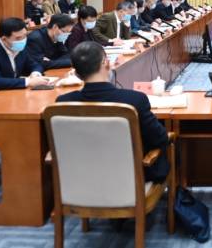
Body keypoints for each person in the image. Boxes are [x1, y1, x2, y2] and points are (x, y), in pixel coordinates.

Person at [56, 41, 169, 182]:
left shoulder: (63, 103)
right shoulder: (134, 100)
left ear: (76, 72)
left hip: (80, 179)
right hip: (130, 180)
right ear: (106, 63)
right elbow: (160, 138)